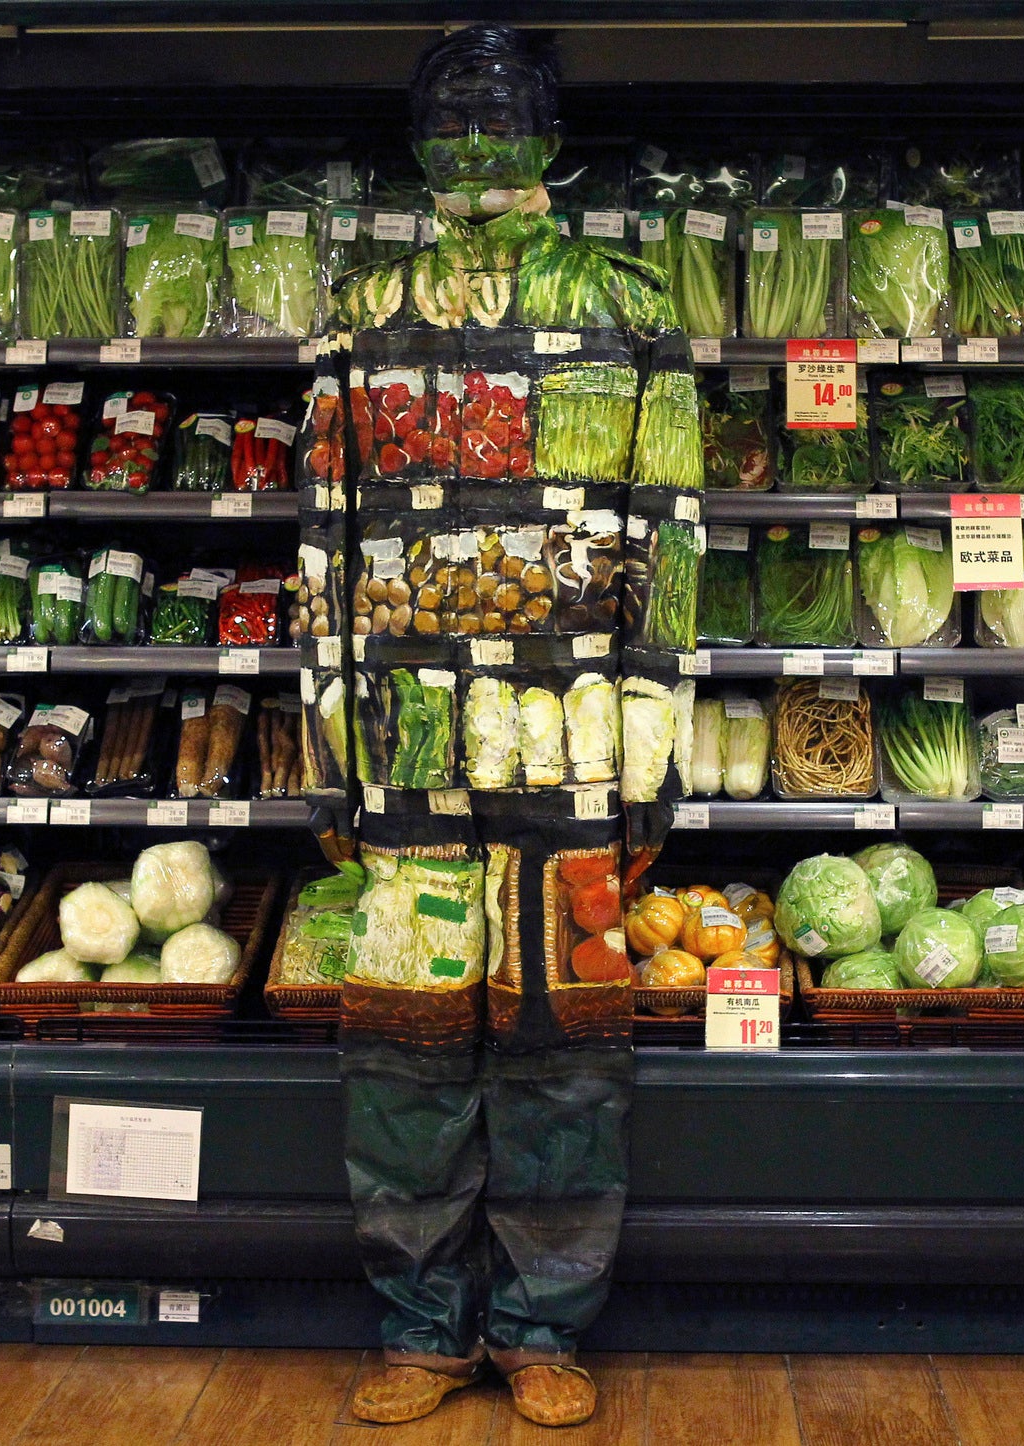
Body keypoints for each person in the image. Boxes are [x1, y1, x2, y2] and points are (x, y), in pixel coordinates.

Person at [294, 23, 702, 1429]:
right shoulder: (360, 308)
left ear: (547, 136)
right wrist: (326, 746)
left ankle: (541, 1326)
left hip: (574, 746)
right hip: (407, 744)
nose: (477, 145)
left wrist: (653, 740)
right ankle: (420, 1326)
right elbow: (322, 540)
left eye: (502, 118)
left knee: (564, 1052)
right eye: (453, 120)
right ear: (419, 141)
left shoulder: (629, 302)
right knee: (401, 1052)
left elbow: (673, 536)